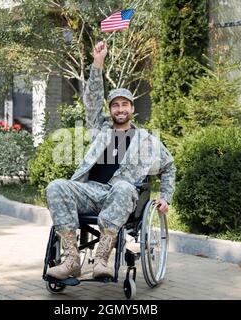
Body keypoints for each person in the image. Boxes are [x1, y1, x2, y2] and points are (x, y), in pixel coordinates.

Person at [45, 41, 176, 280]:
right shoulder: (100, 128)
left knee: (125, 187)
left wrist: (166, 197)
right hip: (89, 191)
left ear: (132, 109)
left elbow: (169, 167)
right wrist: (98, 62)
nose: (120, 109)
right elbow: (93, 100)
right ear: (111, 110)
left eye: (124, 104)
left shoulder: (146, 140)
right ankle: (71, 260)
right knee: (56, 186)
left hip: (118, 196)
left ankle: (102, 259)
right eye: (115, 105)